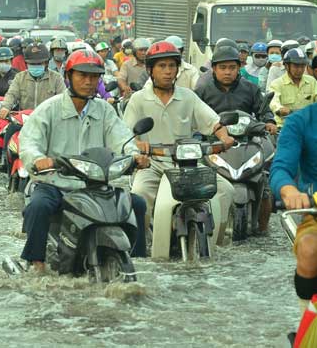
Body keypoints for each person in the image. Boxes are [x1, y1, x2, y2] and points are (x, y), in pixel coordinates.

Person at [18, 50, 150, 270]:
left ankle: (136, 260)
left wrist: (134, 155)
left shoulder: (104, 110)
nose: (89, 82)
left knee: (136, 203)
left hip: (95, 184)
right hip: (56, 183)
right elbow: (29, 142)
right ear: (68, 76)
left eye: (94, 76)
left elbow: (121, 139)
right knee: (38, 206)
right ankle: (36, 261)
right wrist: (39, 159)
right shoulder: (49, 109)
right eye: (82, 75)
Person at [124, 41, 236, 246]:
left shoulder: (188, 97)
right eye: (161, 66)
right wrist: (139, 145)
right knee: (139, 194)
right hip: (153, 164)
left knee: (226, 190)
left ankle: (218, 244)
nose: (167, 71)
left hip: (189, 164)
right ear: (150, 70)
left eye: (172, 66)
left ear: (177, 69)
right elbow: (126, 136)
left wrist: (225, 137)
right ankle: (141, 245)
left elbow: (214, 122)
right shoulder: (138, 99)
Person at [194, 45, 277, 233]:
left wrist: (270, 122)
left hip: (247, 142)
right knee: (198, 181)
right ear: (214, 69)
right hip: (213, 143)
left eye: (232, 67)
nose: (227, 72)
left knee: (264, 184)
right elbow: (192, 116)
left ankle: (263, 230)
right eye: (222, 68)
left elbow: (264, 111)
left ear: (239, 67)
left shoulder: (250, 88)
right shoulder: (202, 90)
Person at [270, 101, 317, 310]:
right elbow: (281, 167)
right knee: (309, 249)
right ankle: (307, 322)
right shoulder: (300, 121)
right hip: (315, 210)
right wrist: (289, 190)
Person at [269, 48, 317, 128]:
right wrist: (280, 109)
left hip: (308, 127)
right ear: (287, 66)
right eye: (296, 66)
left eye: (302, 66)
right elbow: (274, 103)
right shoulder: (277, 84)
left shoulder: (312, 81)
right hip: (285, 128)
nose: (300, 70)